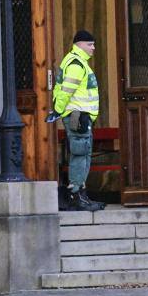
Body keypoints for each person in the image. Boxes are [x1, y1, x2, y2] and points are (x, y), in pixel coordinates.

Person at [49, 30, 105, 212]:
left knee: (84, 153)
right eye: (90, 44)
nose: (93, 48)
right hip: (77, 116)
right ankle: (76, 195)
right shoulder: (76, 64)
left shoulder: (78, 62)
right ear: (79, 44)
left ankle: (81, 194)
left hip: (81, 116)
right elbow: (66, 91)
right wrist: (58, 110)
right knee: (81, 153)